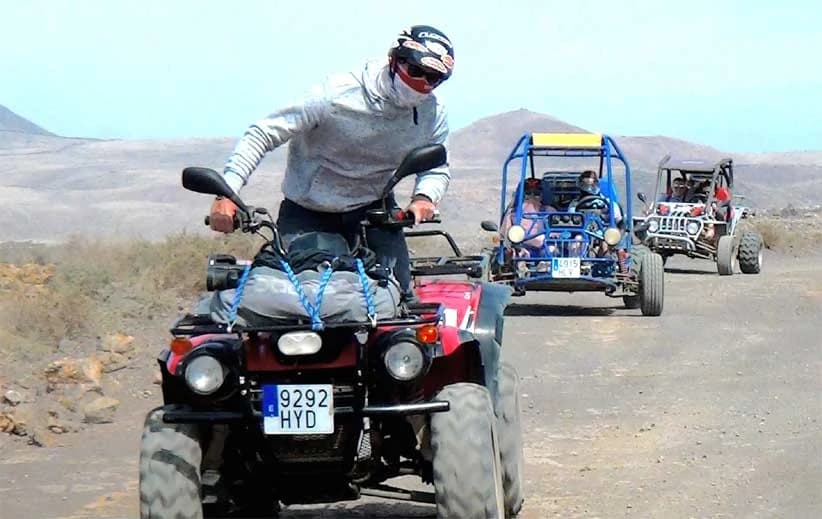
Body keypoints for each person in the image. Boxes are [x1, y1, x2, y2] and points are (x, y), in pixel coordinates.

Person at [208, 25, 455, 300]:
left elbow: (435, 163)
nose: (422, 83)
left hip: (375, 212)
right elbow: (263, 133)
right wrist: (227, 192)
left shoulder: (433, 112)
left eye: (434, 78)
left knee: (398, 299)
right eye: (416, 71)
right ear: (394, 60)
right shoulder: (336, 95)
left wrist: (424, 197)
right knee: (303, 301)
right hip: (309, 213)